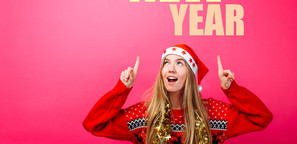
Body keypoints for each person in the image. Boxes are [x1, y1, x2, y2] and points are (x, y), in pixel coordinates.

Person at [83, 44, 273, 143]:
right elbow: (93, 124)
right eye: (166, 63)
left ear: (190, 75)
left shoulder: (214, 114)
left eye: (179, 63)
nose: (171, 69)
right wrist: (122, 89)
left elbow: (261, 117)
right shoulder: (143, 116)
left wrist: (231, 89)